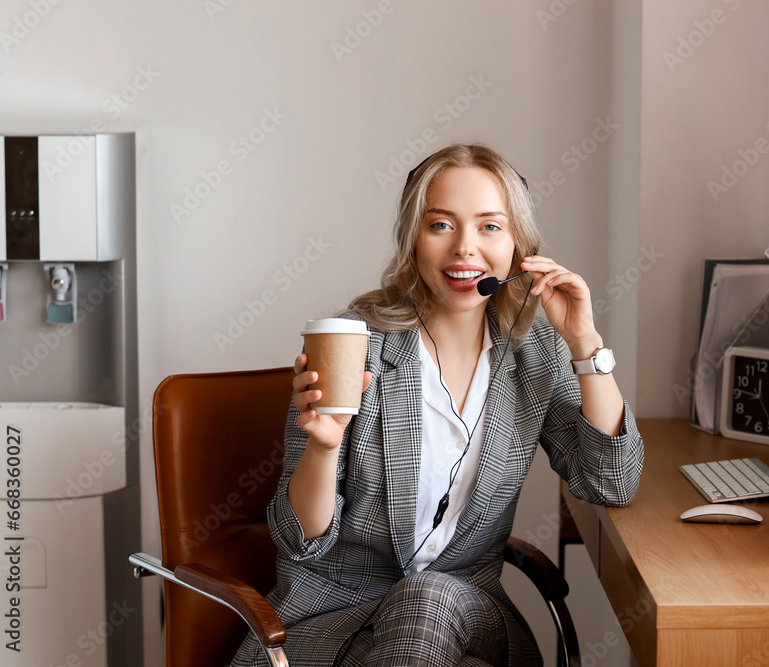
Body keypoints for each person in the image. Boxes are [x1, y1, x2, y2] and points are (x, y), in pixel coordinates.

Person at [231, 143, 644, 666]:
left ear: (519, 245)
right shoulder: (355, 346)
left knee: (430, 596)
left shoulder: (535, 353)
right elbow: (299, 542)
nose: (465, 249)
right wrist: (323, 448)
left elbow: (610, 481)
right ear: (413, 240)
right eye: (441, 225)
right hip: (334, 621)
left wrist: (585, 343)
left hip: (467, 612)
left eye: (490, 227)